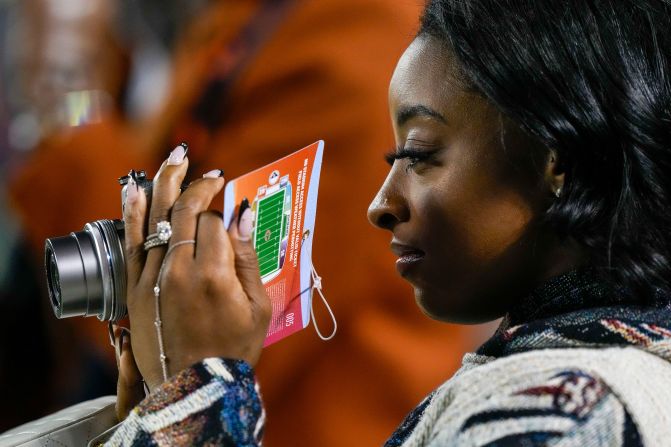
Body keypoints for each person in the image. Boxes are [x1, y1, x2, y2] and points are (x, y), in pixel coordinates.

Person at [112, 0, 671, 444]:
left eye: (420, 155)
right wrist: (172, 398)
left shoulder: (560, 415)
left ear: (558, 162)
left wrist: (196, 404)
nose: (380, 205)